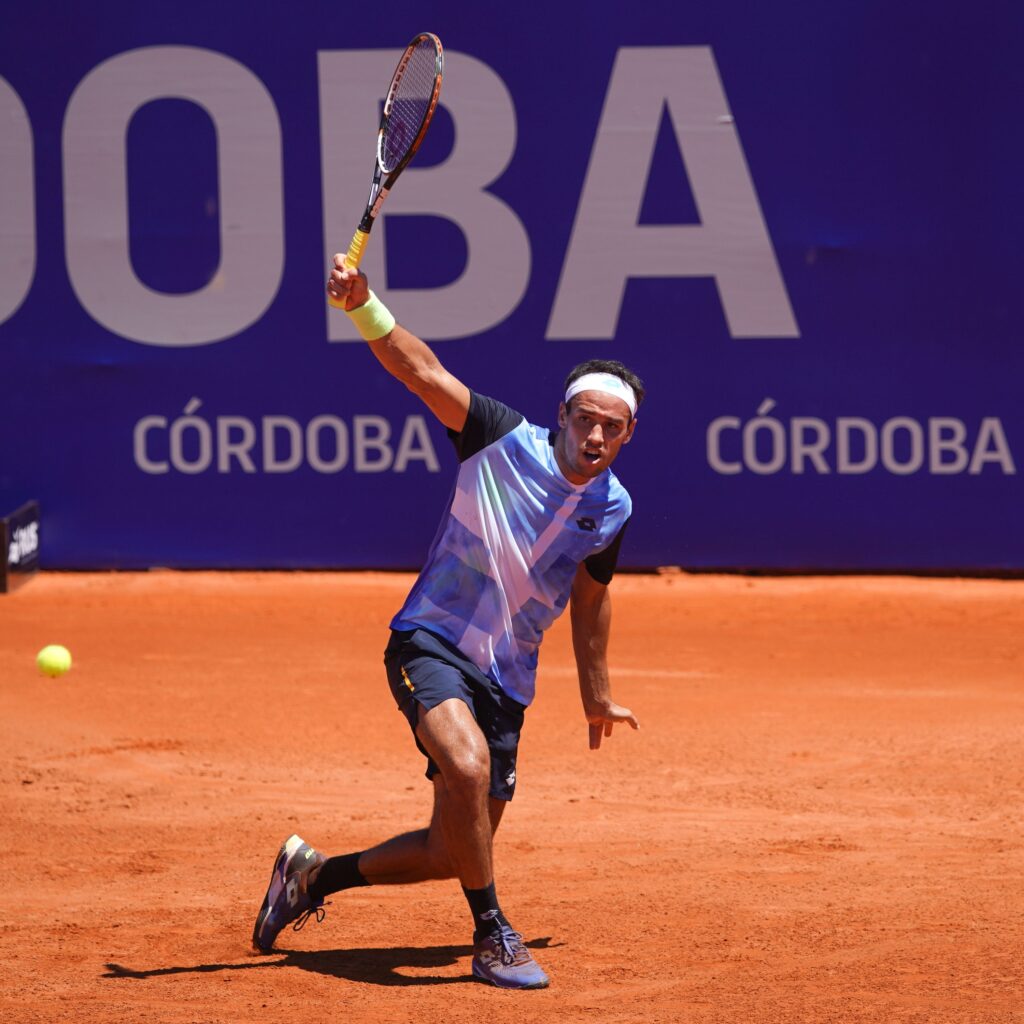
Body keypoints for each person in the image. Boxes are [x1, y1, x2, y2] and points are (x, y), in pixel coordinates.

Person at [252, 257, 644, 990]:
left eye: (611, 427)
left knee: (453, 848)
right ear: (562, 416)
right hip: (430, 640)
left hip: (508, 678)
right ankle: (493, 933)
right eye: (585, 419)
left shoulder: (612, 508)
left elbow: (591, 599)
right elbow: (423, 372)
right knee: (465, 769)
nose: (594, 435)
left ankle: (310, 878)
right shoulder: (499, 437)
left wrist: (596, 691)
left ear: (627, 436)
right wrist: (365, 307)